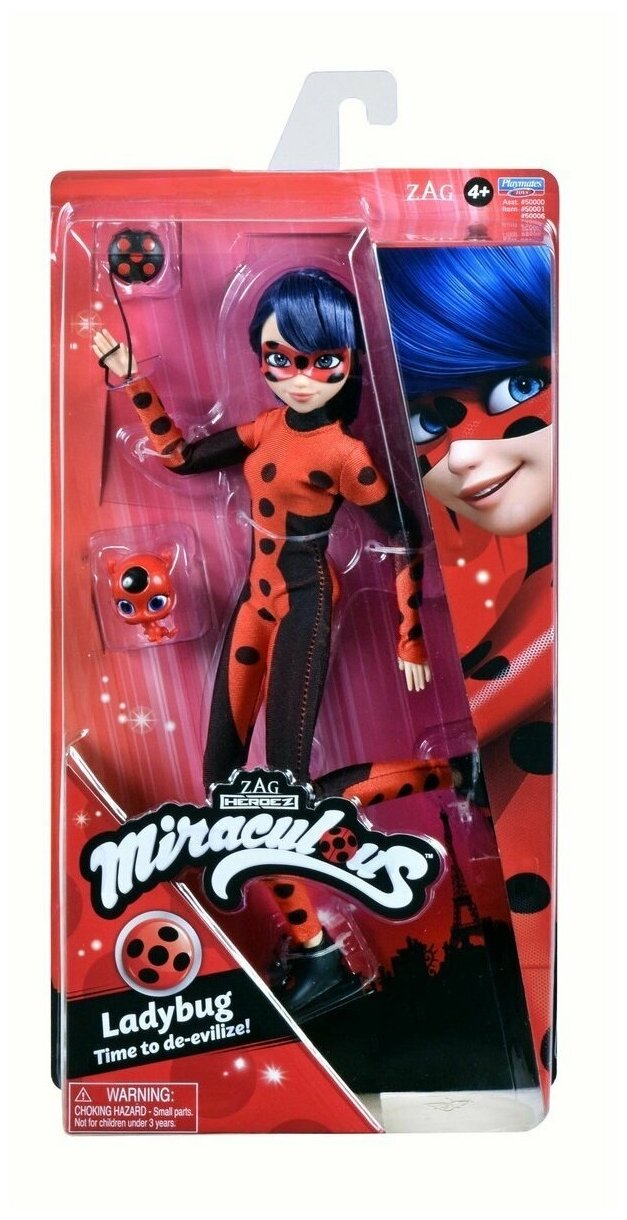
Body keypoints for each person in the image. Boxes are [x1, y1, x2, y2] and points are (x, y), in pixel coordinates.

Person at [94, 267, 460, 1020]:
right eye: (280, 359)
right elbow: (180, 458)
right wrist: (133, 382)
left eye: (323, 362)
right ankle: (319, 947)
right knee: (225, 787)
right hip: (254, 601)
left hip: (304, 603)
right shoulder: (264, 428)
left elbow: (403, 533)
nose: (299, 378)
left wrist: (410, 636)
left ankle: (448, 771)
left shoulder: (347, 454)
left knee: (285, 796)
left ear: (350, 362)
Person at [379, 243, 556, 1094]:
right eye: (426, 424)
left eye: (518, 389)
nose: (462, 459)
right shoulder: (511, 572)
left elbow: (472, 712)